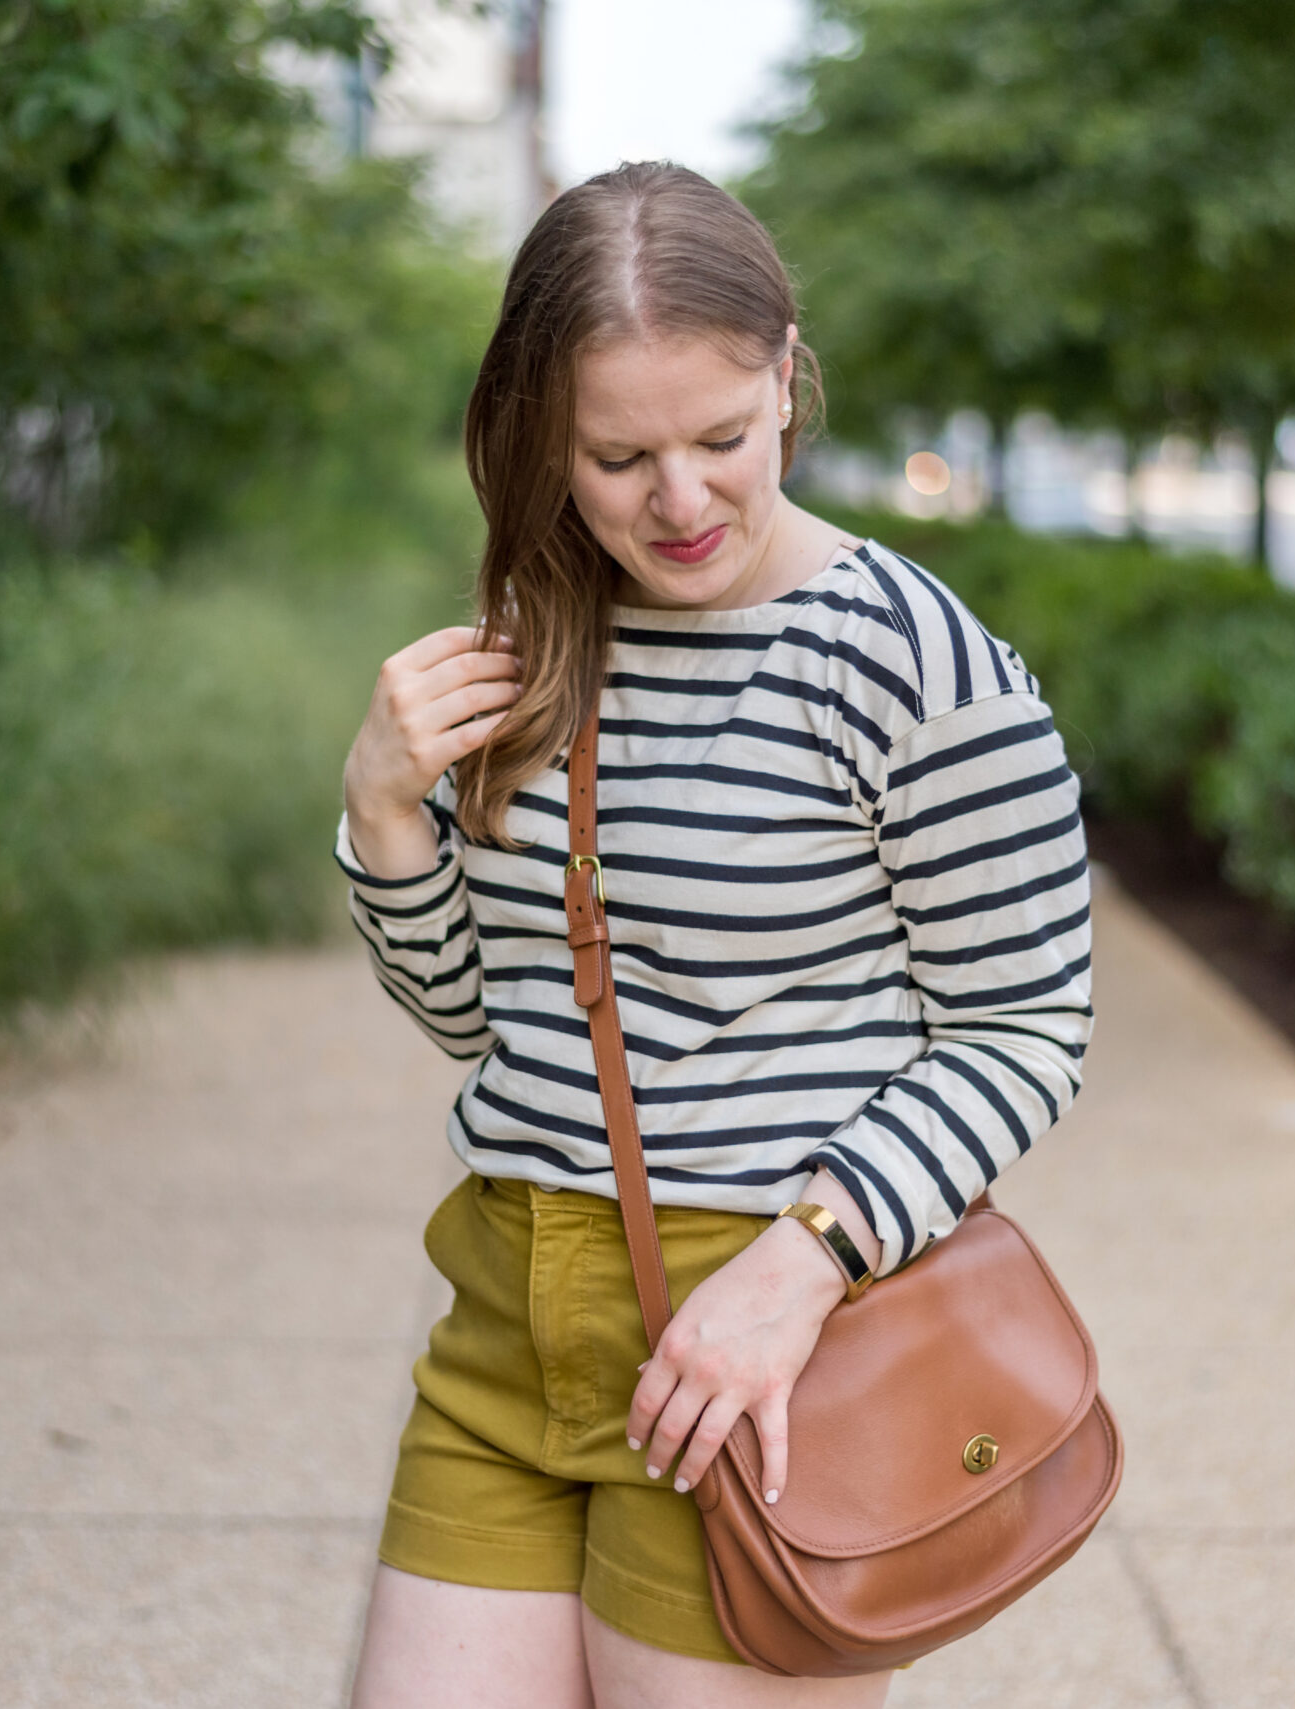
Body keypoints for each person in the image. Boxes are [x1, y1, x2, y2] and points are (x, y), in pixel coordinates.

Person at [335, 162, 1096, 1708]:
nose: (679, 505)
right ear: (541, 433)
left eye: (722, 441)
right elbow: (493, 1022)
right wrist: (384, 813)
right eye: (617, 457)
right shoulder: (542, 632)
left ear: (786, 374)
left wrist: (801, 1264)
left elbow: (1028, 1025)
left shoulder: (912, 659)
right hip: (505, 1316)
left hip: (758, 1345)